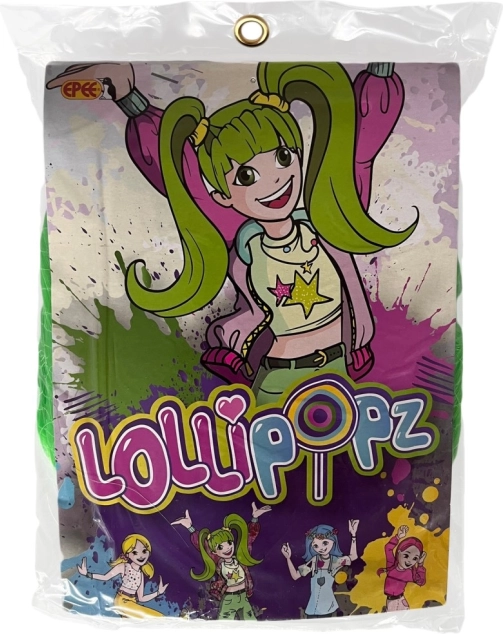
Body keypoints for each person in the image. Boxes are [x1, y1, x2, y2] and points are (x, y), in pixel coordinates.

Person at [47, 62, 414, 403]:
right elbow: (182, 180)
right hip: (280, 376)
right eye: (246, 176)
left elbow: (359, 151)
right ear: (223, 195)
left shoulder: (326, 219)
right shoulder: (244, 241)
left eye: (283, 158)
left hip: (339, 368)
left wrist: (381, 67)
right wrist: (130, 100)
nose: (274, 181)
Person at [171, 502, 271, 620]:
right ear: (214, 551)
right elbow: (203, 545)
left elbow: (248, 538)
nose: (227, 548)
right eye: (220, 547)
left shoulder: (240, 558)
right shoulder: (219, 561)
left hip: (243, 597)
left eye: (229, 543)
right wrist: (190, 527)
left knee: (251, 624)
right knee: (223, 626)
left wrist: (255, 518)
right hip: (229, 599)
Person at [77, 533, 168, 618]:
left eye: (144, 551)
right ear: (128, 554)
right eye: (135, 552)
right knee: (157, 617)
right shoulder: (124, 567)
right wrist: (87, 574)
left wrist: (158, 593)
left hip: (132, 602)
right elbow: (106, 577)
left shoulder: (140, 574)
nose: (141, 556)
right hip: (122, 601)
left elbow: (141, 598)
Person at [281, 520, 359, 618]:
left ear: (333, 541)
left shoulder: (335, 561)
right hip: (312, 608)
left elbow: (353, 556)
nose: (321, 548)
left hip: (328, 607)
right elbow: (295, 575)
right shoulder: (314, 561)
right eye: (316, 546)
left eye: (325, 543)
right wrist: (288, 558)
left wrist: (353, 535)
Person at [377, 524, 427, 611]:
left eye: (415, 558)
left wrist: (420, 564)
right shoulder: (391, 565)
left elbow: (421, 582)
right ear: (399, 552)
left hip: (399, 602)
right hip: (393, 601)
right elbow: (388, 548)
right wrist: (397, 537)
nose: (409, 561)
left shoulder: (409, 573)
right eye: (406, 555)